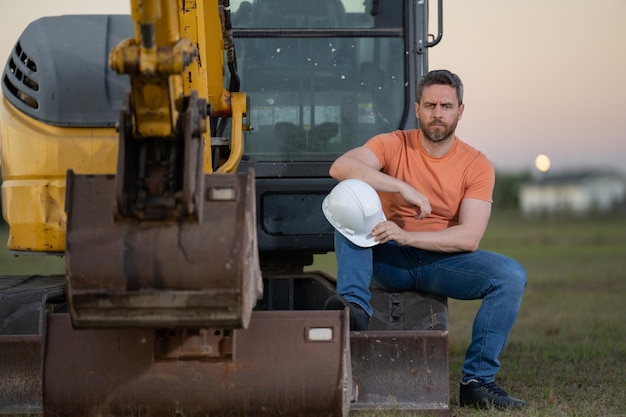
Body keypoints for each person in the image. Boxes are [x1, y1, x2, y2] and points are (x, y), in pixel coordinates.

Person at [324, 69, 528, 409]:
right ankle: (355, 307)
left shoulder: (476, 164)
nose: (438, 113)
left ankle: (477, 382)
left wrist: (408, 235)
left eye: (446, 106)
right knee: (349, 199)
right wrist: (401, 187)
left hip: (440, 261)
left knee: (510, 276)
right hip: (387, 257)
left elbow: (469, 237)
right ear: (417, 108)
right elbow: (341, 167)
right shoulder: (392, 143)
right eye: (430, 105)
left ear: (460, 111)